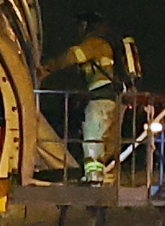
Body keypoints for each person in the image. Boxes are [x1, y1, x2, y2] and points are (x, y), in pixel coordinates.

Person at [39, 12, 119, 184]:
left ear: (85, 26)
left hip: (101, 98)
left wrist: (45, 69)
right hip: (105, 97)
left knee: (92, 137)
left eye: (80, 26)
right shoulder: (103, 45)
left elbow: (72, 56)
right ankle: (98, 175)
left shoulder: (96, 44)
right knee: (98, 137)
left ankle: (94, 178)